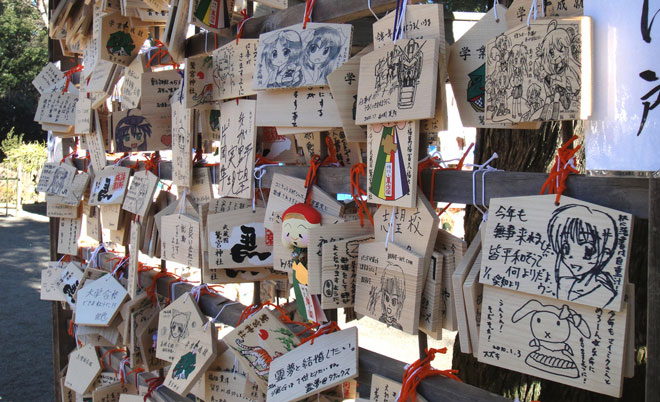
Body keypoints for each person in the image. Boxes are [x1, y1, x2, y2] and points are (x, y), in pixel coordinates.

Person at [547, 204, 619, 307]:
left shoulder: (603, 291)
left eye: (588, 251)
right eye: (566, 248)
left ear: (605, 255)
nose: (573, 257)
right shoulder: (565, 281)